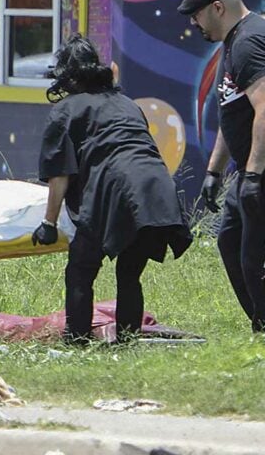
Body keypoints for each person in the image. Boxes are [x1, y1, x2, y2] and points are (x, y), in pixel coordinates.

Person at [32, 34, 192, 344]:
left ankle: (78, 342)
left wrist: (48, 223)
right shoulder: (127, 104)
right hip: (154, 190)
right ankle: (127, 342)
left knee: (81, 270)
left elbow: (59, 175)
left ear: (66, 75)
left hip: (113, 189)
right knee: (129, 273)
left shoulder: (66, 110)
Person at [178, 0, 265, 332]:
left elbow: (264, 107)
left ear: (217, 7)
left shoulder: (248, 42)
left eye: (197, 15)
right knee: (230, 241)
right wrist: (214, 172)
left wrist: (255, 175)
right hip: (246, 170)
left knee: (254, 258)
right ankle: (259, 324)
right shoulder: (231, 44)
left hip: (258, 170)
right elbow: (233, 113)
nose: (194, 23)